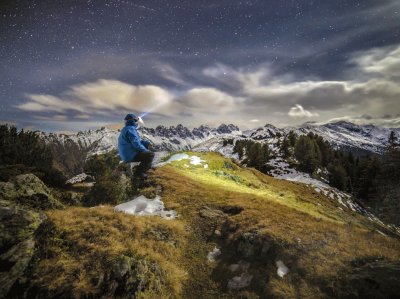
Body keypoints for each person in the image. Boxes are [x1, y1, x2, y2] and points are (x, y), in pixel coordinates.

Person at [118, 113, 154, 179]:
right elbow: (136, 144)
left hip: (127, 154)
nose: (137, 122)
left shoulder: (127, 129)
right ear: (133, 121)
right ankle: (139, 173)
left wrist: (147, 143)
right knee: (150, 154)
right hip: (129, 155)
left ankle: (146, 167)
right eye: (136, 120)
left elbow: (138, 140)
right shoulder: (131, 130)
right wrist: (146, 150)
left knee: (146, 151)